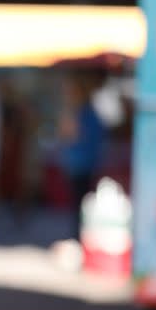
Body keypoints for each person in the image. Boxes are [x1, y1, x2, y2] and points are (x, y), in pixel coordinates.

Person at [58, 71, 105, 239]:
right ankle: (79, 236)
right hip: (81, 164)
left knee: (81, 205)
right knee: (78, 205)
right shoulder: (85, 112)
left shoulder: (84, 113)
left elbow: (72, 135)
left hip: (83, 165)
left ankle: (80, 238)